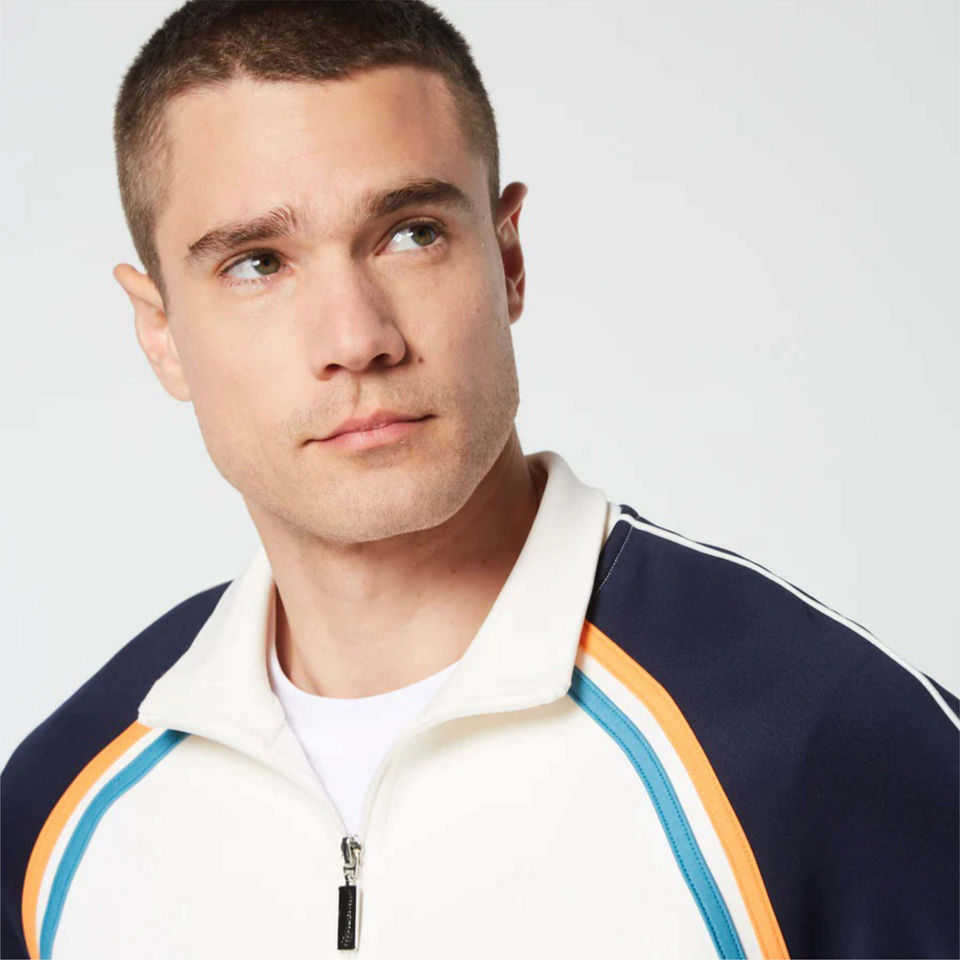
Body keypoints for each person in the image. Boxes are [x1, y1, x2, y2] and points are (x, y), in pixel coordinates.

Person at [1, 2, 957, 957]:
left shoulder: (818, 742)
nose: (357, 339)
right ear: (160, 331)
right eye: (258, 263)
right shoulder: (55, 815)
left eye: (410, 234)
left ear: (508, 259)